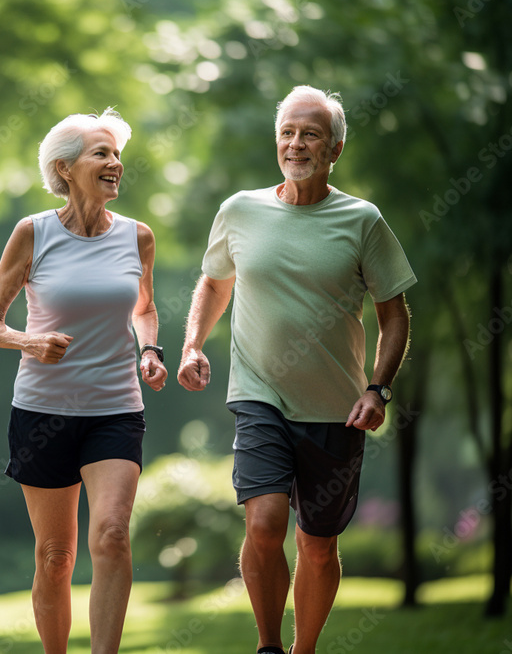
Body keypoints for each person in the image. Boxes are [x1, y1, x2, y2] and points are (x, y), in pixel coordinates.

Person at [177, 86, 416, 654]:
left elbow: (394, 316)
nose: (295, 143)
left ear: (334, 149)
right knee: (263, 525)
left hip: (337, 408)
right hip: (258, 395)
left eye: (310, 134)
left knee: (318, 544)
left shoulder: (362, 220)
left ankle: (303, 649)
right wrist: (191, 345)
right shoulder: (240, 210)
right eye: (287, 131)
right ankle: (268, 646)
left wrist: (378, 390)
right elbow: (215, 282)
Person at [0, 108, 167, 654]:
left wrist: (149, 349)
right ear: (64, 169)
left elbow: (145, 308)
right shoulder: (32, 233)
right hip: (43, 412)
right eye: (101, 153)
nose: (115, 163)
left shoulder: (138, 237)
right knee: (55, 557)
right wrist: (29, 341)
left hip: (115, 409)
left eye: (116, 154)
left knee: (110, 535)